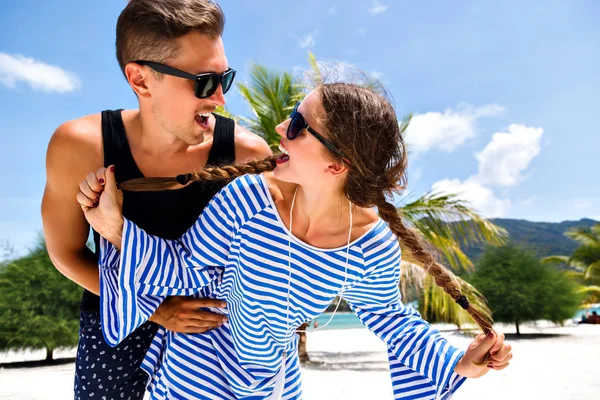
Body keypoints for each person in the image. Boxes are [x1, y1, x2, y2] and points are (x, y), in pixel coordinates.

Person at [79, 83, 513, 399]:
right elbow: (184, 265)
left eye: (301, 124)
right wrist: (115, 229)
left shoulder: (368, 245)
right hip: (193, 372)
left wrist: (459, 362)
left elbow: (389, 319)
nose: (282, 125)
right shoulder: (250, 199)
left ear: (338, 165)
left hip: (272, 384)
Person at [41, 1, 271, 398]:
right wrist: (157, 309)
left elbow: (267, 260)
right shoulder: (79, 146)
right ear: (141, 80)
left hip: (213, 331)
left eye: (224, 78)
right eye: (202, 82)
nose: (220, 99)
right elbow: (66, 253)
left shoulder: (247, 154)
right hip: (116, 323)